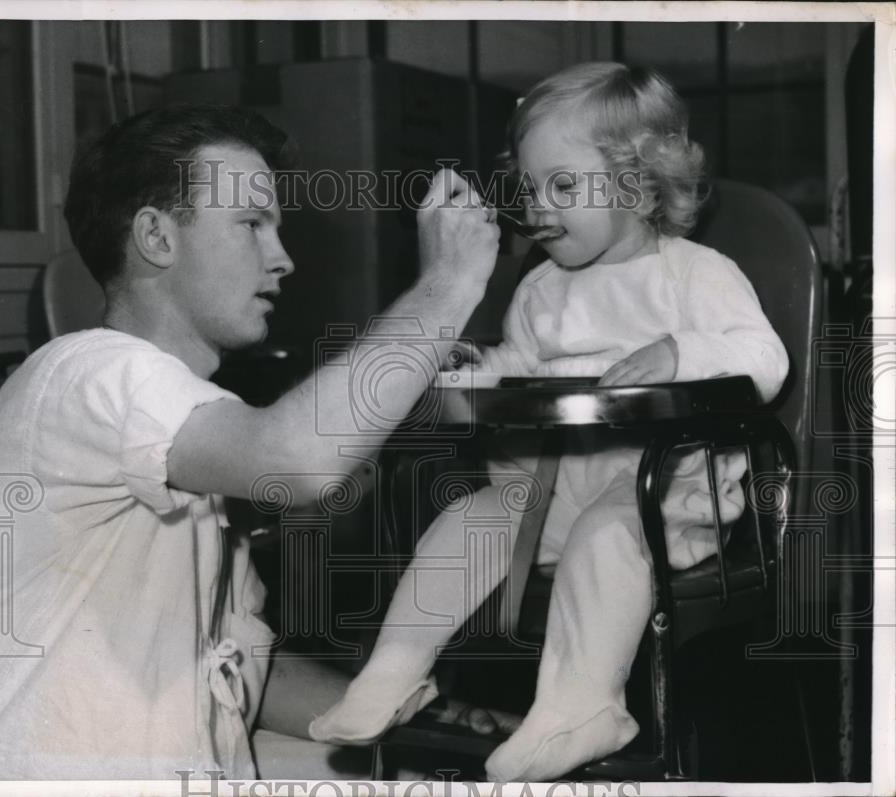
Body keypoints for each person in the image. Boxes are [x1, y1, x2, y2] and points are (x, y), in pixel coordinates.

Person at [0, 105, 503, 780]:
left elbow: (229, 660)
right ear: (157, 237)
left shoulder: (191, 436)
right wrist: (449, 283)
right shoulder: (89, 369)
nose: (282, 259)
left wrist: (395, 708)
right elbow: (300, 460)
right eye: (251, 224)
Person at [308, 62, 790, 782]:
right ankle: (396, 670)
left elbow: (766, 358)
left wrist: (680, 351)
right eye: (529, 188)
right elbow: (519, 363)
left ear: (636, 183)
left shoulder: (694, 274)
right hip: (551, 497)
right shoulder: (540, 288)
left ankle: (583, 704)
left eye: (563, 186)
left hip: (661, 509)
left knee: (608, 528)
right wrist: (475, 373)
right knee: (476, 515)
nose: (538, 206)